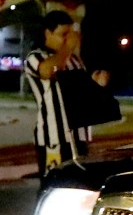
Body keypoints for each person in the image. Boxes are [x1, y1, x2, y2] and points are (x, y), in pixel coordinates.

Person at [25, 10, 89, 175]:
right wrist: (68, 48)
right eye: (63, 34)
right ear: (48, 33)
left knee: (79, 188)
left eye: (70, 34)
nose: (68, 39)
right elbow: (48, 70)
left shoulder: (74, 61)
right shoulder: (36, 57)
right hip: (53, 139)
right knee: (55, 186)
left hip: (79, 137)